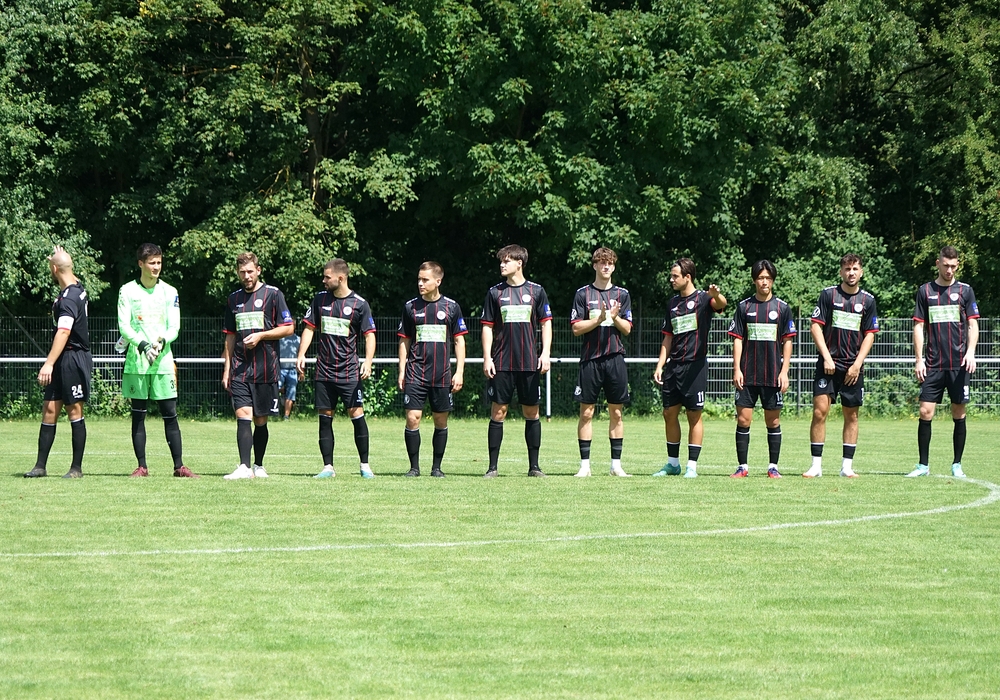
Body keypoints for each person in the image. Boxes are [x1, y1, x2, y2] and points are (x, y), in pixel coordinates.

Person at [117, 243, 198, 478]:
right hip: (137, 362)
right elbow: (124, 326)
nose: (156, 267)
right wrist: (143, 345)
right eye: (152, 262)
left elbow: (174, 327)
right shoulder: (127, 291)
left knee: (170, 413)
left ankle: (179, 467)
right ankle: (142, 467)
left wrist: (161, 342)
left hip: (163, 362)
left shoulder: (170, 291)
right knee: (138, 414)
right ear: (140, 264)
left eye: (159, 262)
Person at [297, 259, 377, 478]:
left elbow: (370, 335)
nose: (324, 280)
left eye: (327, 277)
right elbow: (309, 329)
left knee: (356, 414)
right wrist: (301, 354)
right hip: (324, 370)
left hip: (349, 371)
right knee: (325, 416)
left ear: (340, 278)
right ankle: (328, 467)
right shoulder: (319, 300)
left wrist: (368, 361)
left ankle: (365, 466)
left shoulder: (360, 304)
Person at [907, 245, 979, 478]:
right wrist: (919, 360)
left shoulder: (965, 291)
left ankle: (957, 464)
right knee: (925, 411)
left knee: (958, 412)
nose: (949, 270)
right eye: (946, 265)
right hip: (933, 363)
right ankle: (923, 466)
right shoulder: (925, 291)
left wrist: (971, 352)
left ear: (957, 265)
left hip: (959, 364)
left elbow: (973, 324)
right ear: (938, 263)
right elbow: (918, 326)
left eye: (953, 266)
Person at [804, 254, 879, 478]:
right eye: (847, 269)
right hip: (828, 364)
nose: (851, 273)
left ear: (861, 272)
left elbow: (870, 334)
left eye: (855, 269)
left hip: (852, 367)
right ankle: (816, 466)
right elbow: (815, 326)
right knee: (819, 412)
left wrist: (857, 364)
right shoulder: (828, 295)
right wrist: (826, 357)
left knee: (851, 415)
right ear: (841, 272)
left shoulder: (868, 301)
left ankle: (846, 467)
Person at [481, 244, 553, 478]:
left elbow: (546, 323)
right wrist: (487, 357)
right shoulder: (495, 293)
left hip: (529, 362)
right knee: (498, 412)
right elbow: (487, 327)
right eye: (501, 261)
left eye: (507, 261)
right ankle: (492, 467)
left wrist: (545, 353)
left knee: (532, 412)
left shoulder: (536, 291)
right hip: (502, 362)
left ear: (519, 263)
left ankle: (534, 467)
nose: (502, 265)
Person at [222, 252, 295, 479]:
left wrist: (261, 335)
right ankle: (244, 467)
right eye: (242, 272)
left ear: (258, 270)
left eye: (250, 271)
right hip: (240, 368)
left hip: (266, 369)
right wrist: (227, 368)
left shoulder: (273, 295)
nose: (246, 276)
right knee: (243, 415)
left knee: (260, 420)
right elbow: (230, 336)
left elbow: (289, 327)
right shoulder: (233, 299)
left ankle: (258, 465)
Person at [652, 258, 727, 478]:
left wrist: (716, 295)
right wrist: (660, 364)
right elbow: (668, 337)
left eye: (675, 276)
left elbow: (721, 304)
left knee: (694, 415)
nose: (671, 279)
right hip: (674, 367)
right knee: (669, 413)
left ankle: (691, 466)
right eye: (671, 275)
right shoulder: (672, 304)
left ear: (688, 277)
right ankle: (672, 464)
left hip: (695, 366)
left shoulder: (703, 299)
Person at [24, 246, 92, 479]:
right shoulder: (75, 288)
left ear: (54, 269)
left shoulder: (68, 299)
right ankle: (40, 466)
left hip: (73, 357)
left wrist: (48, 363)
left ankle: (76, 468)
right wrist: (59, 257)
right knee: (50, 409)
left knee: (74, 410)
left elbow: (63, 332)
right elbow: (68, 271)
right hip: (63, 356)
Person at [398, 261, 467, 477]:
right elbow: (404, 340)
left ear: (438, 281)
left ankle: (437, 468)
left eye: (425, 280)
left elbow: (459, 341)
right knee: (413, 418)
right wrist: (402, 370)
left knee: (440, 420)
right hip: (415, 372)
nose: (420, 283)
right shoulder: (410, 307)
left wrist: (459, 371)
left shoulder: (451, 307)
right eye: (419, 279)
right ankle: (414, 468)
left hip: (441, 374)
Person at [728, 260, 796, 478]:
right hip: (747, 374)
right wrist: (737, 368)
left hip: (772, 374)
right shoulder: (744, 307)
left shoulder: (782, 308)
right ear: (754, 280)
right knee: (743, 420)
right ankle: (742, 467)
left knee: (773, 421)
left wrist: (784, 371)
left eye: (768, 278)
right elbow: (737, 339)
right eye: (760, 278)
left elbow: (787, 341)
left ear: (773, 280)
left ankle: (773, 467)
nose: (764, 282)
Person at [571, 247, 633, 477]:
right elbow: (576, 328)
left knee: (616, 414)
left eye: (610, 263)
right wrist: (598, 320)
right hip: (590, 360)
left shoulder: (622, 294)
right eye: (602, 262)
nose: (606, 266)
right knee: (586, 413)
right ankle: (585, 466)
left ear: (614, 267)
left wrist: (614, 318)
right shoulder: (583, 294)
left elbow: (627, 329)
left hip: (615, 358)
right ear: (595, 265)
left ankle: (616, 465)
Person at [278, 332, 300, 420]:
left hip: (292, 370)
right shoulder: (279, 338)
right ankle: (273, 412)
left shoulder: (298, 339)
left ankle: (286, 416)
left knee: (291, 393)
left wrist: (301, 371)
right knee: (275, 388)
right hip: (279, 369)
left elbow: (300, 355)